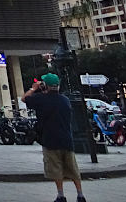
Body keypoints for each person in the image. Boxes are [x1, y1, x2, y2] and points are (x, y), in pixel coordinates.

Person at [24, 74, 85, 202]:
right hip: (66, 139)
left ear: (45, 86)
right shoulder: (65, 100)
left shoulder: (41, 99)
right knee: (73, 169)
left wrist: (34, 88)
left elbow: (25, 99)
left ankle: (61, 195)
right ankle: (80, 195)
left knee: (55, 169)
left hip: (50, 139)